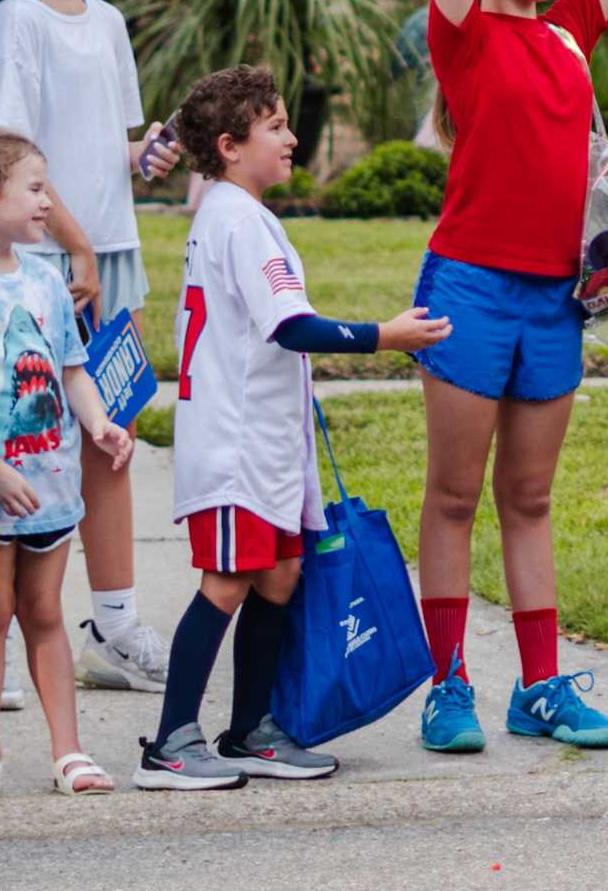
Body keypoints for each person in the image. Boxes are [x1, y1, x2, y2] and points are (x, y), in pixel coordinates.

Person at [414, 0, 608, 754]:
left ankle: (541, 687)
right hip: (466, 286)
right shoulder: (465, 31)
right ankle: (450, 683)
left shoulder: (568, 33)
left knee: (531, 495)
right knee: (456, 493)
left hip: (556, 295)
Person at [132, 65, 453, 789]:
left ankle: (251, 732)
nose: (292, 136)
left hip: (267, 445)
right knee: (228, 580)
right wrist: (385, 334)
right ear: (229, 144)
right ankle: (170, 743)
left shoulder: (237, 213)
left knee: (279, 576)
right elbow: (293, 326)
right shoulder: (240, 220)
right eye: (274, 126)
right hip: (235, 447)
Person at [0, 0, 180, 695]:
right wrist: (79, 246)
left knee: (110, 441)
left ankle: (114, 629)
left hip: (106, 256)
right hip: (49, 265)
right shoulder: (18, 20)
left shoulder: (110, 21)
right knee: (27, 443)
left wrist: (144, 154)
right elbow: (12, 156)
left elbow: (101, 146)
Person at [0, 127, 135, 796]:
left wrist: (99, 424)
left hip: (53, 486)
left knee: (44, 612)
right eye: (35, 189)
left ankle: (69, 751)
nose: (48, 204)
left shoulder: (47, 280)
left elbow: (73, 371)